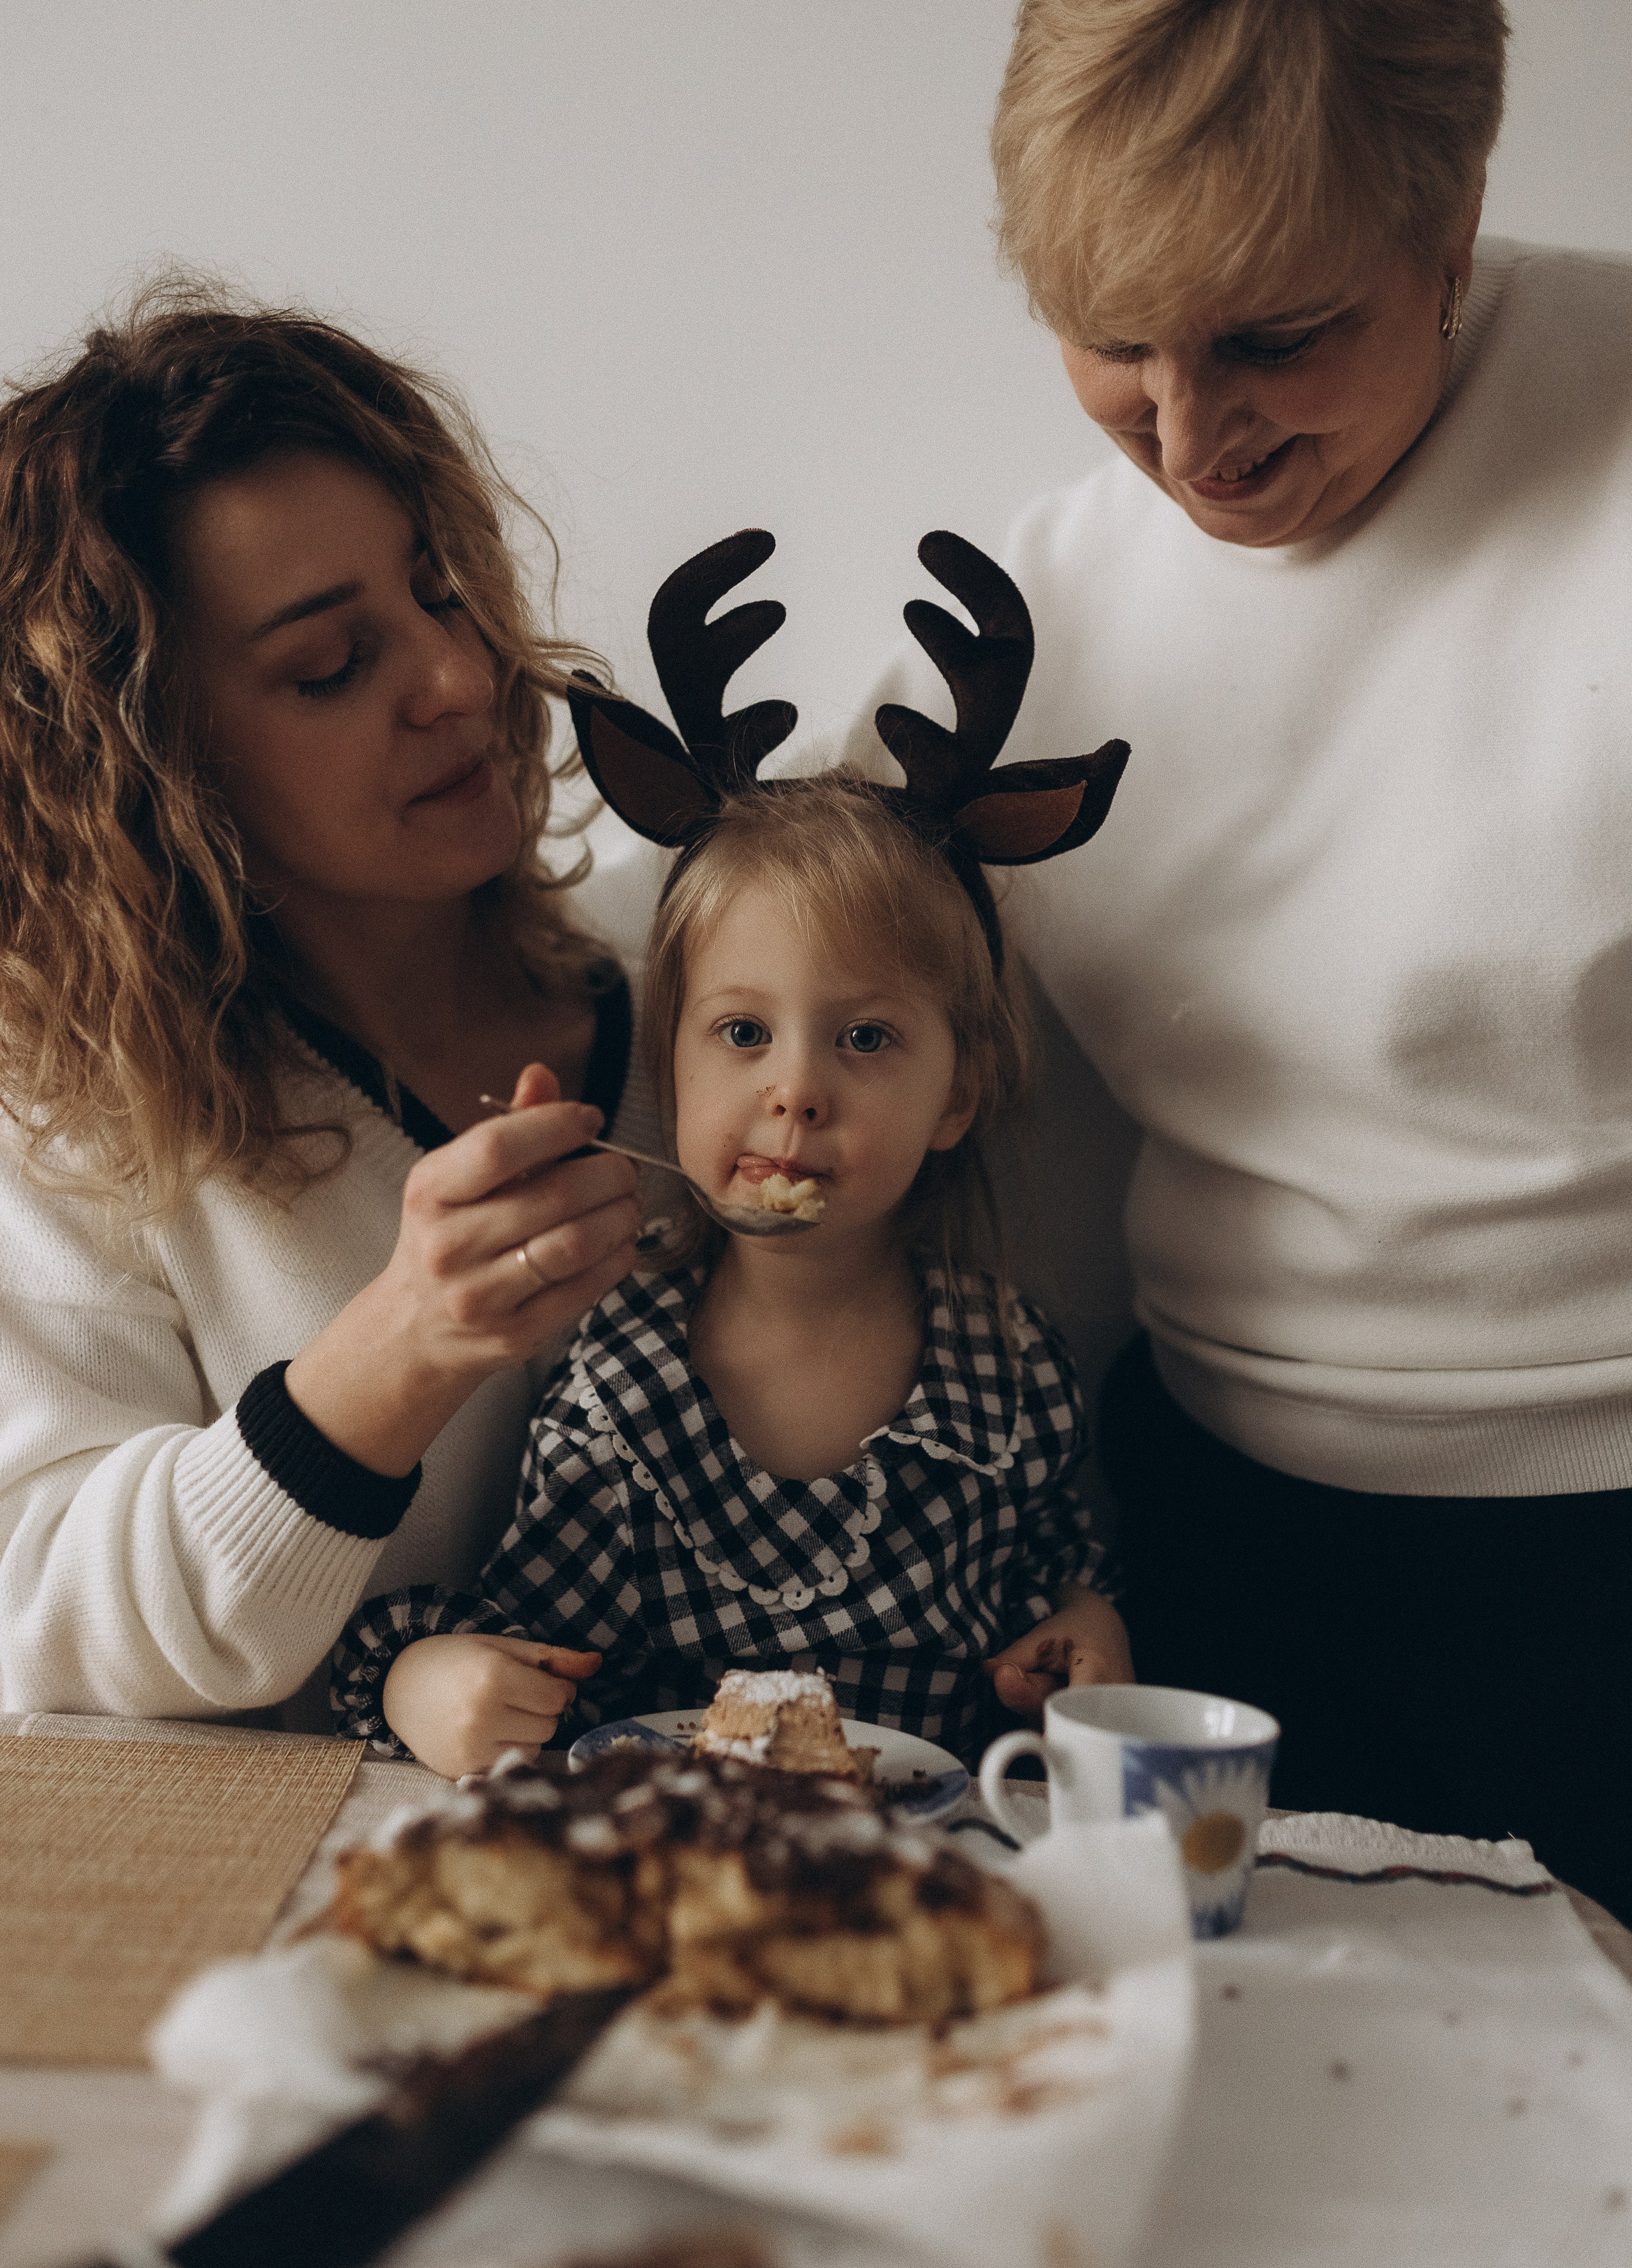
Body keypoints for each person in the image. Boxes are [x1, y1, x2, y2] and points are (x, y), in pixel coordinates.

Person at [847, 0, 1632, 1912]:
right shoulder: (1034, 618)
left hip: (1606, 1552)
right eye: (1114, 346)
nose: (1192, 441)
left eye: (1279, 338)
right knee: (1260, 2126)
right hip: (1210, 1556)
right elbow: (794, 935)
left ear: (1448, 236)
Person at [332, 529, 1134, 1776]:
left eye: (864, 1037)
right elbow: (515, 1657)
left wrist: (1079, 1637)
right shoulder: (619, 1382)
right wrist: (420, 1677)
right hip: (676, 1887)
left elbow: (1051, 1593)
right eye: (742, 1033)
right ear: (670, 1067)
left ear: (955, 1095)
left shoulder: (1010, 1367)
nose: (796, 1092)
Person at [0, 282, 645, 1729]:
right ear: (149, 770)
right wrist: (397, 1351)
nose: (459, 677)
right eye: (327, 667)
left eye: (440, 590)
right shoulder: (73, 1127)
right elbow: (37, 1628)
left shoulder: (699, 1007)